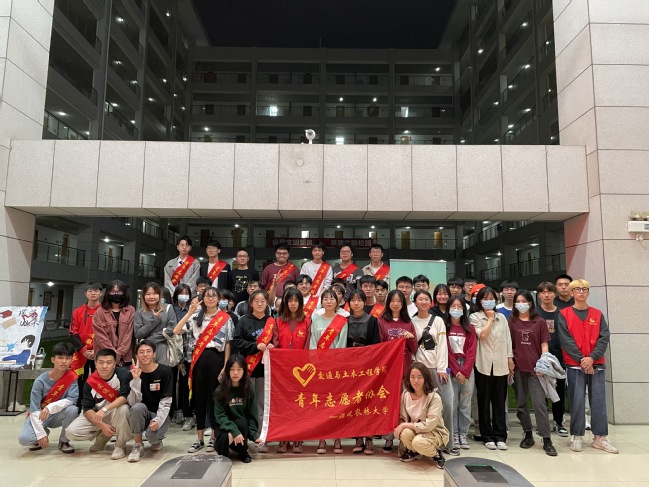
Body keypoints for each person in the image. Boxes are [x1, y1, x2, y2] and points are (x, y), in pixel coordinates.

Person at [557, 279, 618, 454]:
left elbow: (604, 337)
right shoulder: (564, 314)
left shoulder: (597, 314)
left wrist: (591, 358)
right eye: (577, 289)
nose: (581, 292)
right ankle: (576, 436)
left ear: (588, 292)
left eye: (584, 289)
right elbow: (566, 340)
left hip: (596, 364)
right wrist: (582, 360)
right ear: (571, 293)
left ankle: (600, 438)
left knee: (598, 402)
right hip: (575, 365)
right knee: (576, 400)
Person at [173, 287, 234, 453]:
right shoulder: (195, 317)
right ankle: (199, 439)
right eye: (207, 296)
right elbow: (176, 330)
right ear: (202, 298)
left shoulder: (225, 318)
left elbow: (228, 343)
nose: (211, 298)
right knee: (198, 399)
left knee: (215, 399)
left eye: (214, 296)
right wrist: (189, 312)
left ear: (219, 299)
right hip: (198, 360)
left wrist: (225, 366)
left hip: (217, 360)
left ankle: (213, 438)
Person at [509, 290, 557, 456]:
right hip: (517, 368)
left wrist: (543, 363)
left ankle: (546, 438)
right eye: (518, 301)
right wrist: (510, 362)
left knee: (539, 403)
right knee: (521, 403)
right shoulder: (512, 321)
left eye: (524, 301)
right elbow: (508, 344)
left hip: (536, 369)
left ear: (530, 303)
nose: (521, 304)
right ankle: (528, 434)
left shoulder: (540, 322)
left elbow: (544, 344)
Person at [411, 290, 457, 456]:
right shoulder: (412, 321)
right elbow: (411, 347)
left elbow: (443, 345)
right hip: (419, 371)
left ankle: (447, 443)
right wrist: (414, 368)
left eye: (426, 299)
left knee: (448, 403)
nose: (423, 302)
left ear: (430, 302)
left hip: (438, 369)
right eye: (420, 299)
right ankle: (420, 444)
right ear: (415, 302)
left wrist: (442, 368)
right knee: (421, 408)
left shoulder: (438, 320)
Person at [66, 348, 132, 460]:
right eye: (101, 362)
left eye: (109, 362)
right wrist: (102, 426)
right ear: (95, 364)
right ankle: (103, 436)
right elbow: (86, 408)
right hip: (99, 416)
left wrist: (105, 409)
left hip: (115, 413)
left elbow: (125, 398)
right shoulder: (90, 382)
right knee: (71, 432)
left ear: (114, 364)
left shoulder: (123, 374)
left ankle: (120, 446)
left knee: (124, 408)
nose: (104, 366)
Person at [469, 286, 513, 451]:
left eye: (491, 299)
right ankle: (487, 435)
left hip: (501, 364)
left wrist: (510, 359)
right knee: (484, 401)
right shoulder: (474, 317)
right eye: (485, 298)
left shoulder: (502, 318)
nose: (488, 301)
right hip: (483, 364)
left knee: (500, 401)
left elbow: (508, 340)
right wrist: (489, 319)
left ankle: (500, 436)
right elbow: (482, 335)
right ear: (479, 301)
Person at [233, 290, 275, 453]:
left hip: (266, 370)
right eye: (256, 301)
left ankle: (261, 438)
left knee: (262, 404)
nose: (259, 304)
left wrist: (272, 346)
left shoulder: (272, 322)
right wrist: (255, 346)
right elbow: (237, 342)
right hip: (247, 369)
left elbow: (277, 341)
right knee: (246, 404)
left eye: (263, 301)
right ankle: (244, 437)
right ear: (251, 303)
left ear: (267, 303)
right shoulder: (243, 321)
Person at [18, 342, 79, 454]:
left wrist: (50, 407)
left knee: (73, 409)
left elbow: (72, 399)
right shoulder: (40, 381)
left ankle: (64, 441)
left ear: (71, 360)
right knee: (25, 439)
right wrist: (40, 433)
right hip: (40, 415)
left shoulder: (72, 378)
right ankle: (43, 433)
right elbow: (34, 409)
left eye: (67, 358)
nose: (64, 361)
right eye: (60, 358)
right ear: (53, 360)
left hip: (58, 415)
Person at [271, 286, 311, 453]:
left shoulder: (307, 321)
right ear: (285, 303)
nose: (293, 303)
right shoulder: (278, 321)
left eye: (296, 300)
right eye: (290, 300)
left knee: (299, 404)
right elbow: (276, 344)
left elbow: (308, 346)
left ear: (300, 303)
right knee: (284, 404)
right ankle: (283, 437)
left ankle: (298, 438)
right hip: (282, 371)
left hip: (302, 371)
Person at [309, 289, 348, 454]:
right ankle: (322, 438)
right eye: (326, 298)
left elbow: (341, 344)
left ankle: (337, 437)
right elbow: (313, 342)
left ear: (337, 302)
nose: (329, 301)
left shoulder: (342, 321)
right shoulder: (315, 319)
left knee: (336, 403)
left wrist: (333, 363)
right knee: (322, 403)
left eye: (332, 298)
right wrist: (316, 363)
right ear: (322, 302)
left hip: (335, 369)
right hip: (319, 368)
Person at [134, 282, 179, 419]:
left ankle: (165, 415)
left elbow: (172, 329)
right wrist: (154, 321)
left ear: (159, 295)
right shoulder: (139, 312)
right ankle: (147, 412)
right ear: (143, 296)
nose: (151, 296)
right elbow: (138, 334)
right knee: (146, 380)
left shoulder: (168, 308)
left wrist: (150, 340)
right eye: (148, 294)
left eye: (154, 293)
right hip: (145, 351)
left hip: (163, 348)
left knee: (164, 380)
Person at [394, 362, 449, 468]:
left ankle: (436, 454)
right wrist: (402, 425)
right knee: (405, 434)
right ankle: (415, 452)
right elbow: (402, 418)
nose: (416, 381)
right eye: (412, 377)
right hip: (415, 429)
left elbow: (429, 425)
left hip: (432, 431)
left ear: (425, 379)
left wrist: (403, 425)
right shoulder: (405, 395)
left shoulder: (434, 397)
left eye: (420, 377)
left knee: (418, 442)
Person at [346, 288, 380, 455]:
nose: (356, 303)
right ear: (349, 303)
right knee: (355, 403)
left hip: (368, 368)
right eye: (353, 300)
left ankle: (369, 438)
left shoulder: (372, 321)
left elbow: (376, 345)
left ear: (364, 302)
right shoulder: (344, 321)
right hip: (351, 369)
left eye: (359, 300)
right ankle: (358, 437)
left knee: (369, 403)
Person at [127, 340, 174, 462]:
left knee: (152, 438)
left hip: (160, 413)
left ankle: (157, 440)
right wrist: (136, 380)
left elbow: (166, 401)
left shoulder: (165, 371)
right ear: (136, 356)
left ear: (154, 354)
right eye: (141, 352)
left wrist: (158, 420)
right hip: (143, 412)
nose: (145, 355)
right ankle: (138, 445)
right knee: (137, 407)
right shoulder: (132, 373)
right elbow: (133, 403)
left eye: (148, 351)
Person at [214, 354, 261, 463]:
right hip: (225, 427)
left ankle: (243, 452)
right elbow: (220, 416)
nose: (235, 373)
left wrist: (254, 436)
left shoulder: (249, 389)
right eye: (232, 369)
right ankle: (224, 455)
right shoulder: (220, 391)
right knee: (226, 435)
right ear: (227, 371)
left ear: (244, 371)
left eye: (239, 369)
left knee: (241, 422)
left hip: (242, 429)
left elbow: (252, 414)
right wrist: (234, 431)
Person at [536, 281, 568, 437]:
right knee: (540, 393)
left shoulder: (562, 313)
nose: (546, 295)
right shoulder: (534, 313)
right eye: (543, 292)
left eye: (549, 292)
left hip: (559, 358)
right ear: (539, 295)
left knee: (559, 391)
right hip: (539, 358)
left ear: (555, 294)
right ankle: (542, 423)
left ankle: (559, 422)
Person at [445, 296, 477, 451]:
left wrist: (464, 372)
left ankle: (463, 433)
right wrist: (456, 370)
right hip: (450, 367)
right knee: (453, 403)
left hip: (467, 368)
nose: (456, 309)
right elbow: (446, 351)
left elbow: (472, 351)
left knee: (465, 403)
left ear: (464, 309)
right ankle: (455, 434)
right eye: (453, 306)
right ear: (448, 309)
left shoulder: (469, 328)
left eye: (459, 307)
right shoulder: (444, 327)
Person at [69, 282, 102, 408]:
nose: (93, 293)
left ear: (101, 293)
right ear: (85, 293)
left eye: (96, 290)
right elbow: (72, 333)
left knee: (99, 380)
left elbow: (108, 334)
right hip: (81, 353)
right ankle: (78, 407)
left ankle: (97, 407)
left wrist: (96, 350)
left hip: (99, 352)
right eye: (90, 291)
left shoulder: (105, 311)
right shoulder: (78, 312)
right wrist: (83, 350)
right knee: (79, 380)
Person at [93, 280, 135, 367]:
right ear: (108, 293)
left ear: (124, 293)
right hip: (105, 356)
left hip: (125, 356)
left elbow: (129, 334)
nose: (116, 294)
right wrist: (113, 353)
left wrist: (120, 352)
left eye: (119, 292)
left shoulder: (131, 310)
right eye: (112, 292)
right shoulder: (100, 312)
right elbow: (100, 335)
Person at [172, 284, 194, 430]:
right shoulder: (172, 310)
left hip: (190, 352)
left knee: (187, 385)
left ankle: (188, 414)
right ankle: (176, 410)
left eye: (187, 293)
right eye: (181, 292)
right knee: (174, 383)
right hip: (175, 351)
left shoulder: (193, 311)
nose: (184, 295)